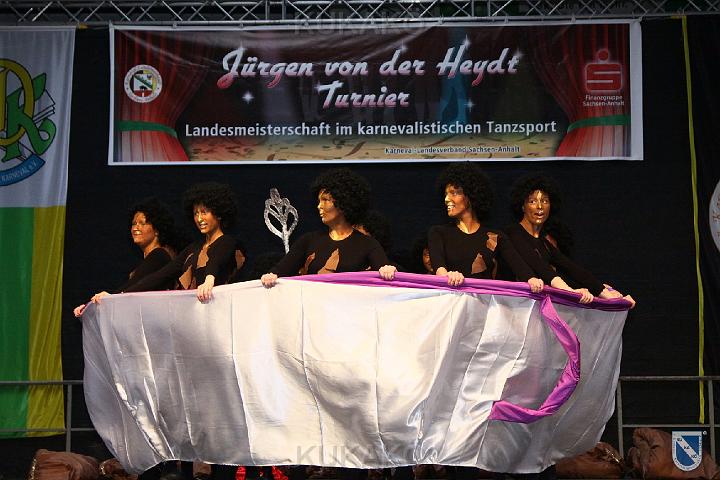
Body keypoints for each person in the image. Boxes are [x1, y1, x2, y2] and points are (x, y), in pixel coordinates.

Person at [504, 174, 634, 305]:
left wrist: (607, 294)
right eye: (532, 201)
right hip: (513, 307)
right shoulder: (512, 233)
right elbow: (540, 266)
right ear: (522, 206)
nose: (539, 207)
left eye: (545, 201)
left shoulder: (545, 243)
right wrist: (570, 292)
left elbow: (573, 270)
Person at [261, 168, 395, 287]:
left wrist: (387, 271)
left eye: (325, 200)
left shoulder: (367, 244)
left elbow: (388, 275)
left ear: (343, 202)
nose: (319, 206)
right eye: (319, 201)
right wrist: (270, 277)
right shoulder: (308, 241)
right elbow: (279, 271)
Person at [427, 162, 544, 292]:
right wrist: (448, 276)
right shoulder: (438, 233)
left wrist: (533, 280)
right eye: (446, 194)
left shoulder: (495, 237)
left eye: (454, 193)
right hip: (451, 301)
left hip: (484, 303)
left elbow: (522, 270)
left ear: (471, 195)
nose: (446, 199)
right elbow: (439, 269)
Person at [122, 182, 245, 302]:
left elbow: (216, 260)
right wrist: (124, 293)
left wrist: (209, 280)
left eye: (204, 212)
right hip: (193, 311)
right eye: (196, 213)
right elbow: (162, 275)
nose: (199, 219)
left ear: (218, 214)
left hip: (218, 307)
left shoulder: (227, 242)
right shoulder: (193, 248)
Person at [73, 197, 177, 317]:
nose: (135, 228)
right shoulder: (154, 257)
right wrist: (88, 307)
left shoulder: (159, 255)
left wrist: (108, 298)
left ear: (157, 229)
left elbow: (135, 285)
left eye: (142, 223)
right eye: (134, 224)